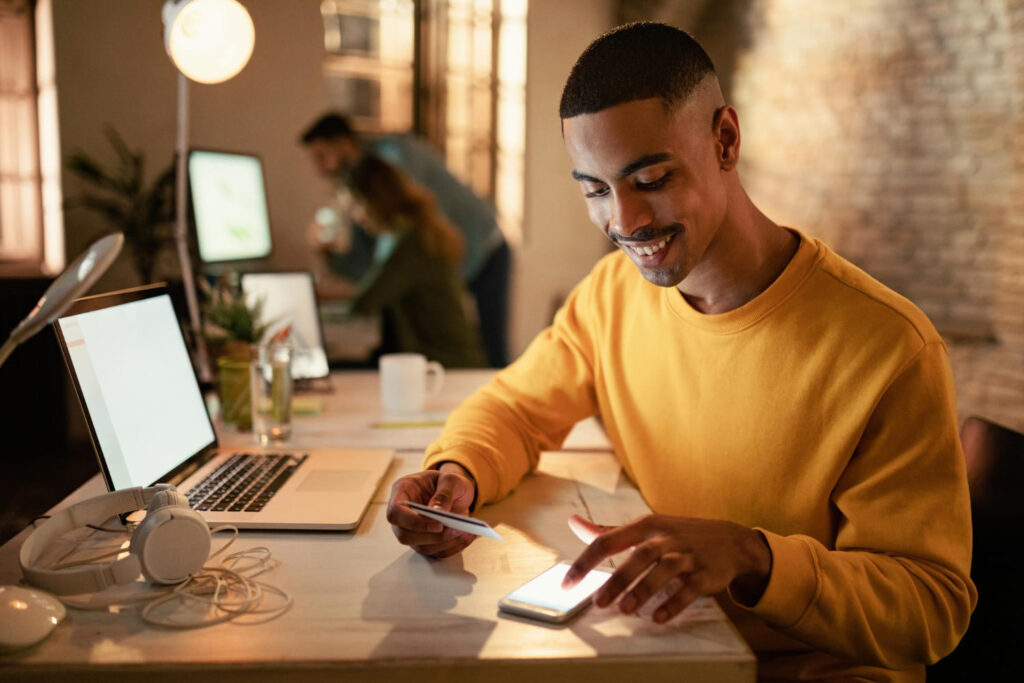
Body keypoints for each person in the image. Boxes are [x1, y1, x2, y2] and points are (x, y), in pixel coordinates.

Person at [383, 21, 976, 682]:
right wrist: (456, 473)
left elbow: (932, 608)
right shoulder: (612, 294)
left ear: (725, 139)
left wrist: (757, 556)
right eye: (595, 189)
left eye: (652, 178)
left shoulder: (890, 346)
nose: (625, 222)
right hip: (671, 653)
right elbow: (516, 407)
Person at [300, 114, 511, 367]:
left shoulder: (392, 160)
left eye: (322, 157)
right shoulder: (365, 186)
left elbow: (385, 265)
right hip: (451, 251)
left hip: (485, 246)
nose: (320, 169)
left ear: (345, 144)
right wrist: (330, 256)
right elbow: (370, 268)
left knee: (490, 350)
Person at [341, 153, 487, 369]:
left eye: (357, 205)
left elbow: (364, 302)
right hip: (450, 359)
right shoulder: (415, 230)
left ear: (374, 200)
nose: (356, 216)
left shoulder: (410, 242)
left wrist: (332, 259)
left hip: (447, 365)